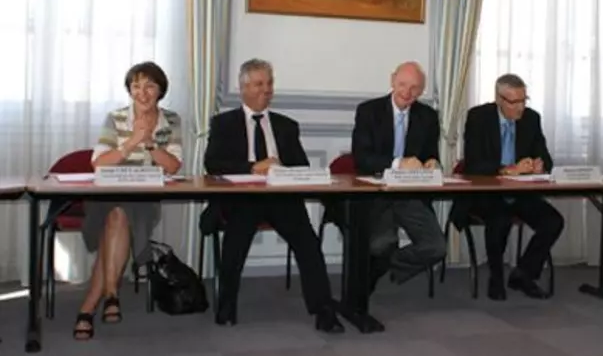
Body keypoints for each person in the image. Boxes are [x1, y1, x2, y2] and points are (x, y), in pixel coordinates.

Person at [203, 58, 343, 333]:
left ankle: (323, 309)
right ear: (243, 87)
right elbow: (214, 163)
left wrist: (281, 168)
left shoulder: (286, 125)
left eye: (269, 84)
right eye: (258, 84)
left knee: (308, 242)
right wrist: (253, 167)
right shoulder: (224, 123)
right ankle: (227, 303)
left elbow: (301, 166)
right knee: (236, 239)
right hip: (243, 197)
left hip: (280, 197)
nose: (266, 90)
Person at [73, 61, 183, 340]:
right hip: (108, 192)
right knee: (116, 215)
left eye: (149, 86)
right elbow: (99, 164)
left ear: (161, 91)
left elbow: (172, 167)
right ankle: (109, 295)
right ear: (129, 90)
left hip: (144, 196)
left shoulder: (171, 120)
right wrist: (132, 141)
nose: (142, 93)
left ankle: (93, 306)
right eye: (136, 86)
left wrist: (150, 144)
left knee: (117, 219)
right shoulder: (115, 117)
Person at [450, 73, 564, 300]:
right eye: (514, 102)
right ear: (499, 99)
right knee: (499, 220)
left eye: (524, 100)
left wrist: (540, 165)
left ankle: (523, 274)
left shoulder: (531, 119)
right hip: (486, 193)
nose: (520, 107)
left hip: (520, 193)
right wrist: (506, 169)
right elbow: (472, 163)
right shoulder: (478, 117)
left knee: (553, 221)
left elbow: (546, 159)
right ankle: (496, 276)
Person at [350, 61, 446, 294]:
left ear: (421, 90)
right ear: (392, 81)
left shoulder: (428, 116)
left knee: (436, 247)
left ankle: (385, 266)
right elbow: (361, 158)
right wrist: (397, 164)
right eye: (402, 84)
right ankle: (363, 287)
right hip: (377, 193)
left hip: (410, 194)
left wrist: (433, 163)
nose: (407, 92)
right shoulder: (369, 111)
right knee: (381, 244)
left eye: (414, 88)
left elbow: (430, 155)